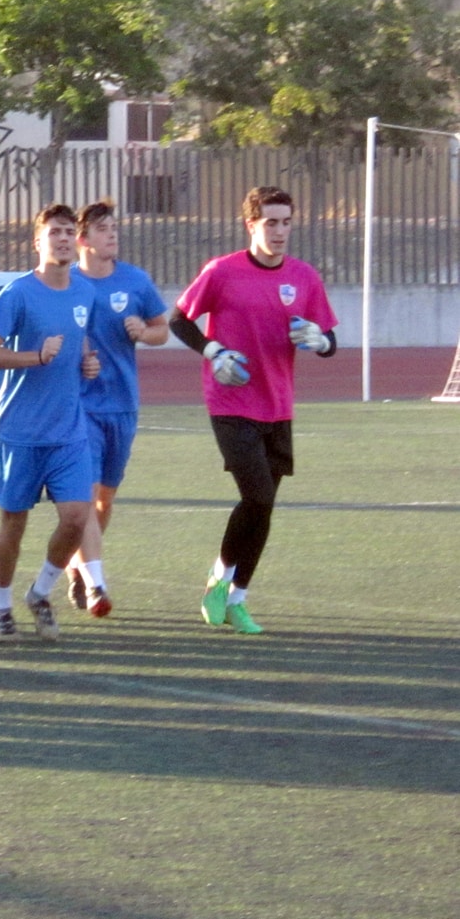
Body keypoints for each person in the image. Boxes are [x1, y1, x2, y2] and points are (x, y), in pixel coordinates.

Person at [171, 185, 336, 636]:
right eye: (270, 222)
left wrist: (320, 341)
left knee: (264, 507)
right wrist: (213, 352)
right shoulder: (222, 272)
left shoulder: (304, 277)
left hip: (278, 405)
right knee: (258, 495)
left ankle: (235, 597)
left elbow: (329, 340)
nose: (279, 231)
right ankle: (218, 582)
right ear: (251, 225)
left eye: (285, 222)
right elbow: (178, 319)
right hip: (231, 402)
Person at [0, 205, 102, 643]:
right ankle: (1, 605)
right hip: (19, 431)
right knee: (14, 523)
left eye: (69, 232)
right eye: (54, 233)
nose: (63, 239)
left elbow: (78, 344)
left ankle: (41, 592)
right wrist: (35, 357)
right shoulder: (17, 294)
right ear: (38, 242)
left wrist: (87, 363)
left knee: (76, 516)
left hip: (68, 430)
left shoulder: (84, 293)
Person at [68, 199, 169, 617]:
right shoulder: (67, 282)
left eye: (114, 227)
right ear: (82, 240)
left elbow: (163, 329)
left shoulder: (135, 280)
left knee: (106, 500)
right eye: (103, 229)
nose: (112, 234)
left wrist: (144, 331)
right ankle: (96, 584)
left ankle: (79, 568)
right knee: (87, 497)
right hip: (80, 407)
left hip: (123, 406)